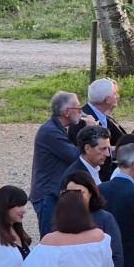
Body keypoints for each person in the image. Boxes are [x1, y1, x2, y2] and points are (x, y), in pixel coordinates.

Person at [31, 91, 90, 234]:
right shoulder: (50, 132)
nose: (81, 111)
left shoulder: (59, 129)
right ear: (67, 112)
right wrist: (89, 131)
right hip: (48, 195)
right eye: (77, 107)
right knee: (51, 237)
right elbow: (75, 156)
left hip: (53, 193)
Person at [69, 78, 127, 171]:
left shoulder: (105, 116)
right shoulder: (81, 121)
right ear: (107, 100)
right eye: (115, 93)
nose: (118, 96)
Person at [61, 125, 112, 189]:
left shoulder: (97, 167)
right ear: (87, 148)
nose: (108, 154)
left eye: (108, 148)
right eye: (103, 149)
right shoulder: (76, 178)